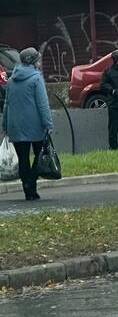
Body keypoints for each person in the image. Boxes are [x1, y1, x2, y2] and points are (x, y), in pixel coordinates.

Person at [1, 47, 53, 201]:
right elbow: (42, 104)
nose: (40, 62)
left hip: (16, 126)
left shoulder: (11, 80)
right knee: (39, 155)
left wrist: (5, 125)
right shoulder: (36, 79)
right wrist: (48, 124)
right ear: (33, 61)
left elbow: (7, 104)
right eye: (38, 59)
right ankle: (32, 183)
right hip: (35, 125)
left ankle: (27, 188)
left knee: (23, 158)